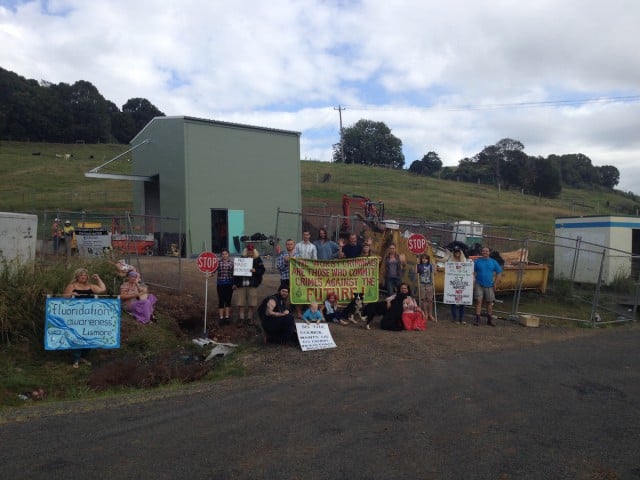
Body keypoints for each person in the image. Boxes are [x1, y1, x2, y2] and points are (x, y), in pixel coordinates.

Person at [63, 268, 106, 368]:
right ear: (77, 276)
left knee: (89, 336)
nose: (83, 277)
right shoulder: (72, 286)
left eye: (85, 275)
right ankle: (76, 359)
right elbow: (64, 297)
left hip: (90, 316)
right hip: (76, 316)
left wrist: (98, 279)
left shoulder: (91, 286)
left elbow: (102, 289)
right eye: (81, 275)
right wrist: (71, 294)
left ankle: (83, 357)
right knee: (77, 336)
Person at [233, 243, 265, 325]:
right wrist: (235, 283)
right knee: (240, 302)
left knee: (252, 302)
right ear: (246, 250)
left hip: (252, 284)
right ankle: (241, 318)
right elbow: (236, 272)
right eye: (248, 250)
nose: (250, 251)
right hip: (241, 284)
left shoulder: (258, 259)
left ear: (254, 250)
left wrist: (255, 271)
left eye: (251, 250)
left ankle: (249, 318)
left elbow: (262, 270)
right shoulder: (241, 259)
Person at [473, 246, 503, 327]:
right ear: (481, 252)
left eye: (486, 251)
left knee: (489, 302)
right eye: (483, 251)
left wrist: (496, 283)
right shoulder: (477, 262)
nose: (485, 252)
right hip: (478, 283)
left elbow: (499, 272)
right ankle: (477, 319)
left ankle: (489, 320)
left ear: (489, 252)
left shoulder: (493, 262)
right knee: (478, 301)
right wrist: (473, 282)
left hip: (489, 285)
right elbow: (473, 272)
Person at [449, 246, 467, 324]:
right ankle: (454, 318)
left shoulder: (464, 261)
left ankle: (461, 318)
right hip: (453, 283)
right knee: (453, 301)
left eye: (458, 252)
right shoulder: (450, 261)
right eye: (455, 252)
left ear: (460, 252)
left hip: (462, 283)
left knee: (462, 301)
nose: (457, 253)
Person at [216, 249, 234, 324]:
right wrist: (209, 274)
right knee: (221, 300)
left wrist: (235, 284)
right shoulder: (218, 263)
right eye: (223, 254)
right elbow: (213, 270)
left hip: (229, 284)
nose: (224, 255)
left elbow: (235, 274)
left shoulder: (232, 263)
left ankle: (227, 317)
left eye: (226, 254)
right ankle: (221, 317)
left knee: (228, 300)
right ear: (221, 255)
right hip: (220, 284)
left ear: (228, 254)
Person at [417, 254, 436, 322]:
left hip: (429, 284)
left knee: (430, 300)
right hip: (422, 284)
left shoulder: (430, 265)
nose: (424, 260)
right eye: (423, 258)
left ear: (428, 259)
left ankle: (430, 314)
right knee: (423, 299)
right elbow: (416, 272)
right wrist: (416, 264)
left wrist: (434, 265)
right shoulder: (419, 265)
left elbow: (434, 273)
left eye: (426, 258)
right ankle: (426, 313)